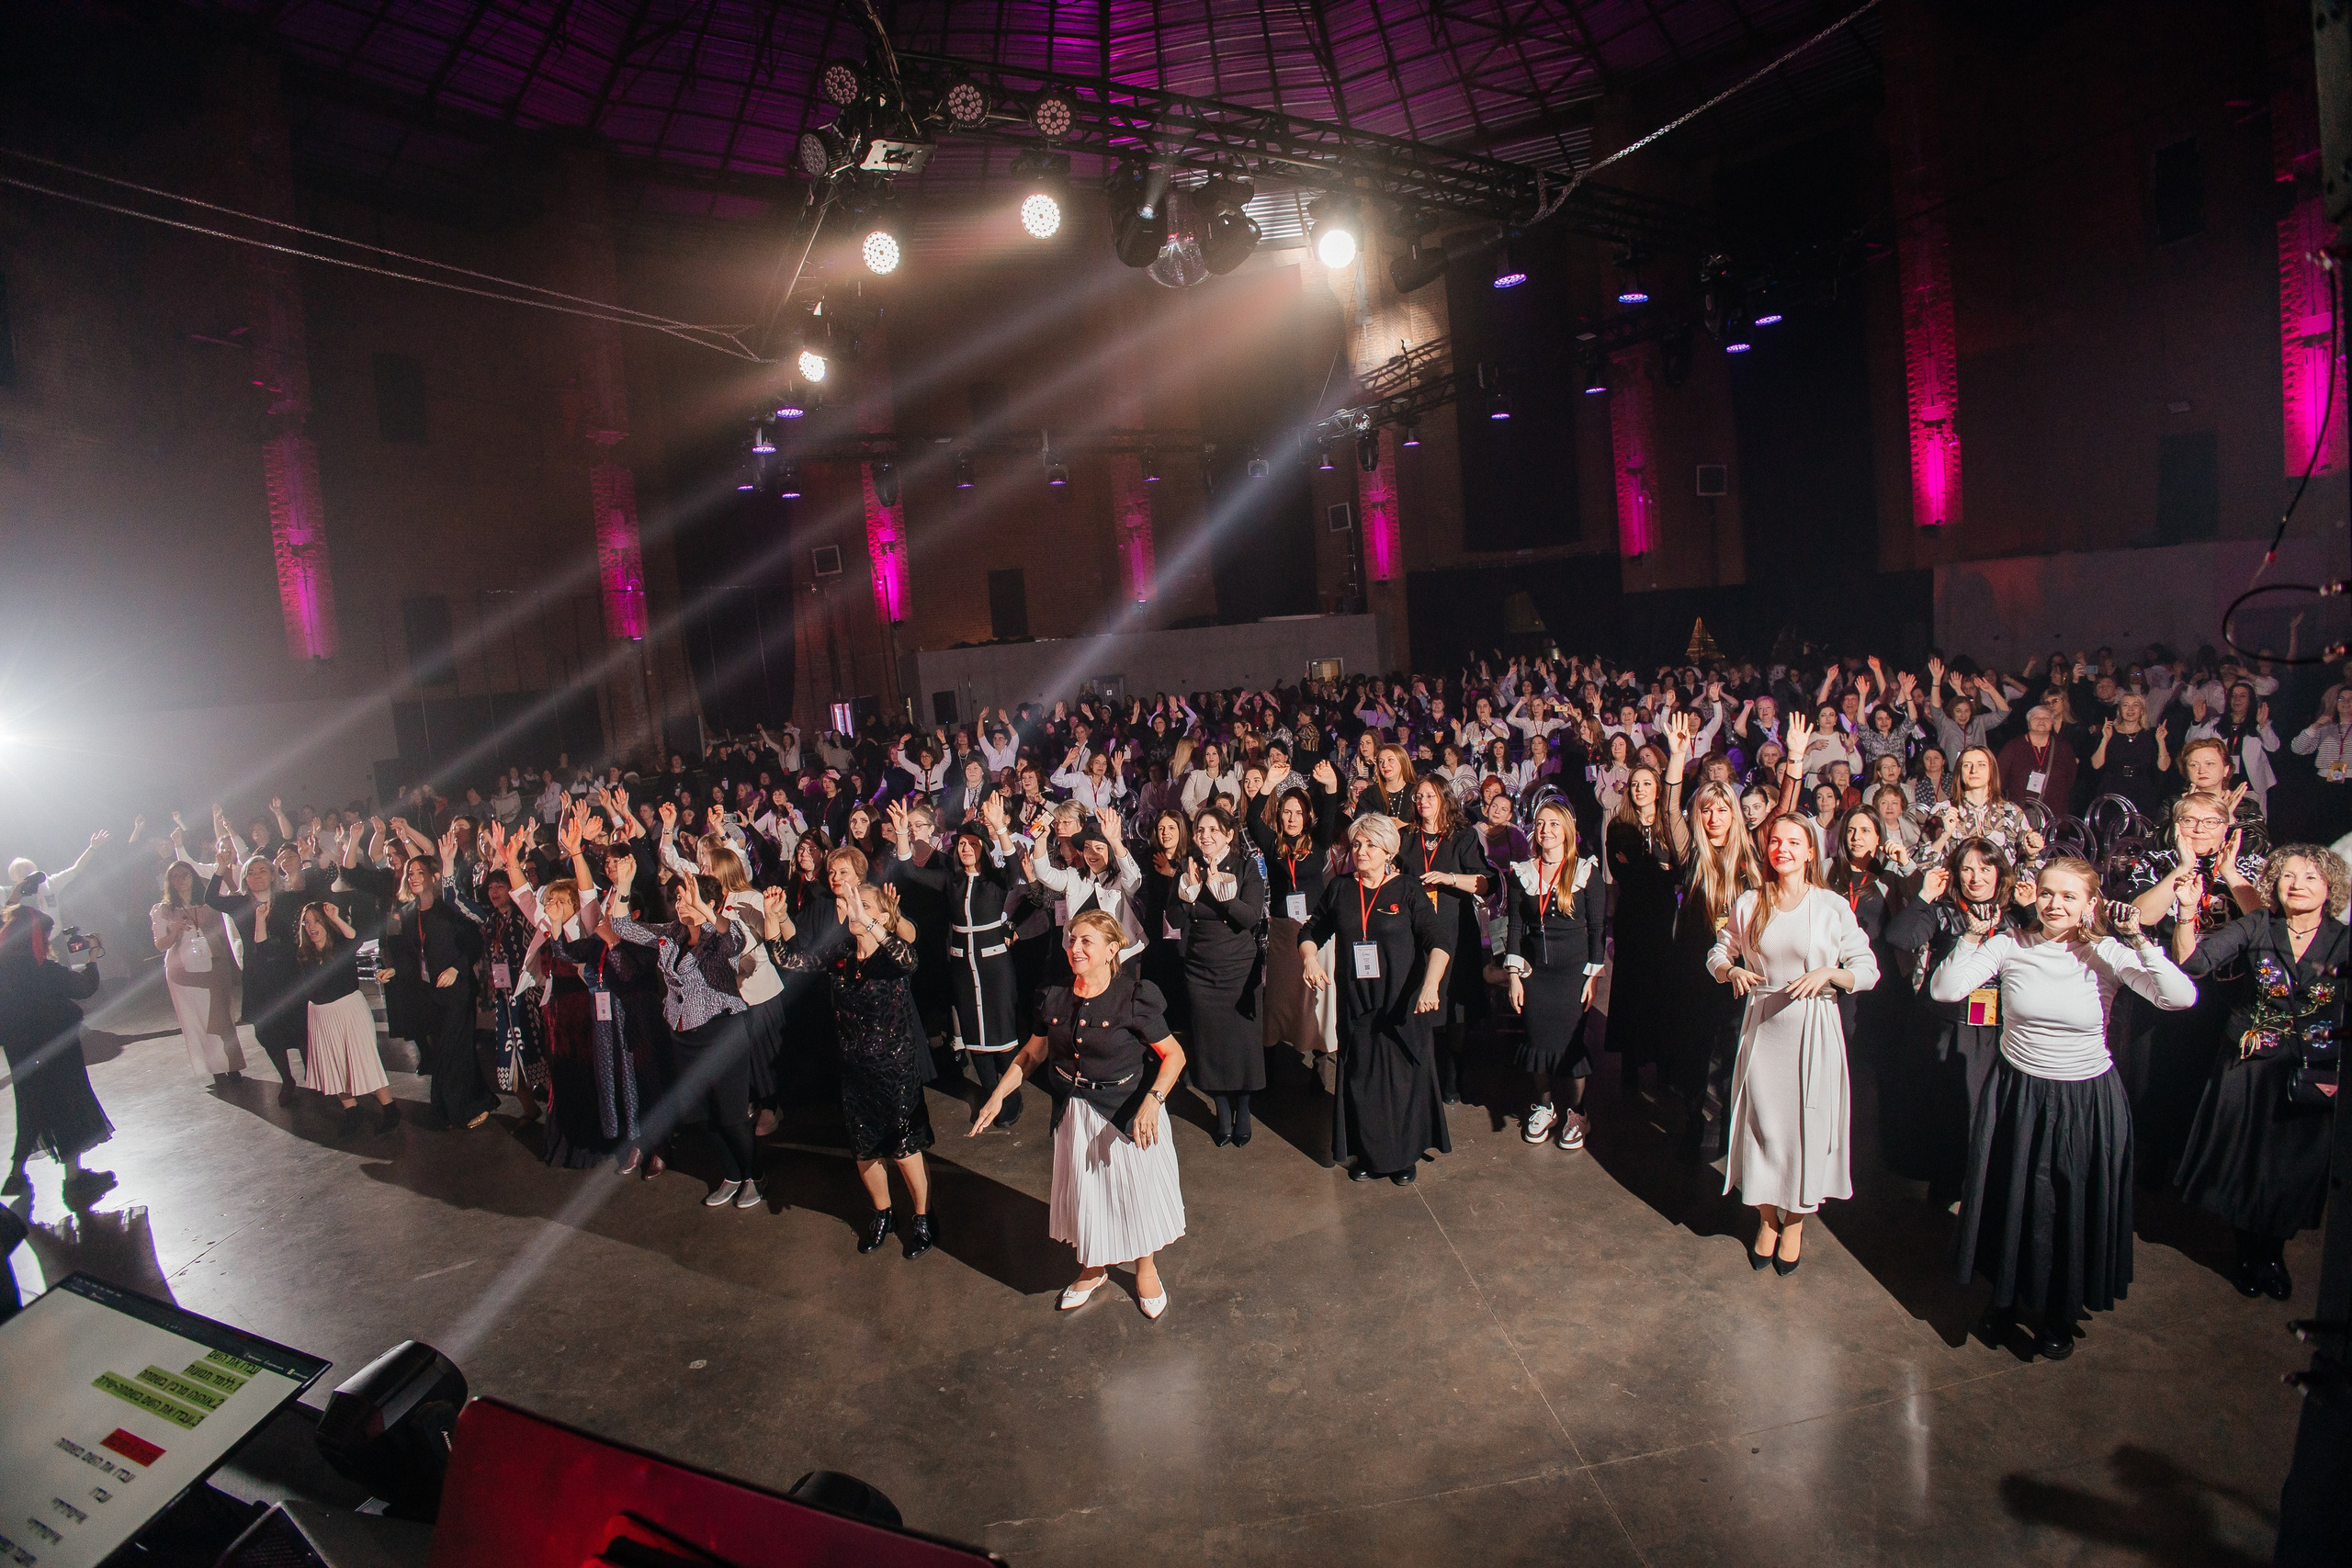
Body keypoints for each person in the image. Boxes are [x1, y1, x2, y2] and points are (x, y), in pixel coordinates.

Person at [1931, 857, 2196, 1359]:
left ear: (2090, 905)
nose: (2055, 904)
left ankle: (2059, 1310)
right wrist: (1971, 936)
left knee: (2067, 1207)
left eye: (2070, 896)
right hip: (2018, 1093)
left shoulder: (2108, 955)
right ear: (2035, 895)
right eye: (2048, 893)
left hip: (2084, 1099)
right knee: (2013, 1200)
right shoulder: (2010, 945)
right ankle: (2004, 1300)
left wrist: (2140, 941)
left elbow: (2179, 998)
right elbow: (1945, 989)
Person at [970, 909, 1186, 1318]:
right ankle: (1093, 1267)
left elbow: (1173, 1055)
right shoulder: (1055, 995)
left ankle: (1145, 1268)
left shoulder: (1134, 997)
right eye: (1072, 940)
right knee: (1089, 1197)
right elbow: (1034, 1052)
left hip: (1127, 1112)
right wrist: (999, 1094)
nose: (1076, 948)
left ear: (1111, 949)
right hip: (1076, 1112)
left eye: (1087, 941)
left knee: (1133, 1195)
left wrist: (1152, 1102)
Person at [2171, 845, 2346, 1301]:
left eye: (2309, 878)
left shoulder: (2343, 940)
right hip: (2249, 1067)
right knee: (2245, 1166)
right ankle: (2248, 1254)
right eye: (2287, 876)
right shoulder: (2256, 925)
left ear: (2330, 888)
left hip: (2312, 1072)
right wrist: (2187, 912)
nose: (2297, 885)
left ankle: (2273, 1255)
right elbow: (2194, 964)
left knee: (2293, 1172)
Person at [1707, 814, 1878, 1275]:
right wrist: (1732, 970)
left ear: (1810, 851)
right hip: (1764, 1028)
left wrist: (1830, 974)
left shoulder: (1831, 906)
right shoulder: (1750, 901)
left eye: (1793, 841)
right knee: (1764, 1129)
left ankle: (1797, 1220)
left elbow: (1866, 968)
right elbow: (1719, 952)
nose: (1782, 848)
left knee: (1806, 1131)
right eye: (1775, 841)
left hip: (1814, 1028)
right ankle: (1766, 1217)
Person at [770, 848, 937, 1258]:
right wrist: (774, 922)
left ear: (879, 912)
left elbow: (910, 960)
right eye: (848, 904)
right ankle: (883, 1214)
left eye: (861, 904)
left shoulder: (890, 953)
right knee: (864, 1148)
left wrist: (874, 924)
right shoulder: (840, 955)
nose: (851, 910)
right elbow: (791, 959)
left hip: (895, 1069)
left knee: (903, 1149)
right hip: (854, 1069)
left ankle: (922, 1217)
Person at [1299, 813, 1452, 1184]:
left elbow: (1439, 942)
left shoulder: (1408, 890)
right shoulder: (1340, 888)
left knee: (1401, 1081)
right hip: (1357, 1004)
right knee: (1361, 1079)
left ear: (1388, 850)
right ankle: (1367, 1152)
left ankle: (1402, 1156)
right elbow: (1311, 930)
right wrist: (1308, 959)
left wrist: (1431, 985)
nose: (1361, 851)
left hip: (1400, 1004)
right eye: (1356, 844)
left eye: (1369, 844)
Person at [603, 860, 759, 1208]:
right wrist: (624, 885)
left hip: (722, 1033)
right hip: (683, 1035)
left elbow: (734, 940)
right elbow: (622, 926)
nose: (679, 905)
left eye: (687, 899)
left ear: (710, 904)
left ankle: (752, 1175)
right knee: (697, 1114)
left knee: (732, 1116)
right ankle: (732, 1173)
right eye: (677, 898)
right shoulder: (670, 933)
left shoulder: (722, 934)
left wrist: (704, 907)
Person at [1882, 839, 2022, 1206]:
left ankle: (1977, 1189)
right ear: (1956, 874)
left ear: (1999, 873)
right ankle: (1944, 1188)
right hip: (1944, 1027)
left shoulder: (2013, 918)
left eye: (1985, 868)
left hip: (1994, 1030)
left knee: (1984, 1114)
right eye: (1967, 869)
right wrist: (1925, 895)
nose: (1976, 877)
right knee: (1946, 1112)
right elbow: (1899, 937)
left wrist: (2033, 909)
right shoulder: (1944, 912)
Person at [1501, 801, 1603, 1149]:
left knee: (1570, 1044)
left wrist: (1592, 976)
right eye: (1541, 824)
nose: (1546, 830)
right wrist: (1514, 975)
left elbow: (1597, 930)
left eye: (1554, 825)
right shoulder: (1522, 872)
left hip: (1573, 973)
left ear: (1568, 831)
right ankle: (1546, 1108)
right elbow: (1515, 925)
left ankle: (1578, 1113)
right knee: (1536, 1040)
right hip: (1535, 974)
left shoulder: (1585, 871)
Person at [0, 902, 113, 1201]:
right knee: (69, 1103)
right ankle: (74, 1179)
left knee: (30, 1105)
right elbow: (84, 987)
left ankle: (16, 1174)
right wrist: (93, 956)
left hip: (20, 1049)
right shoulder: (42, 969)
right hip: (57, 1045)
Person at [1173, 805, 1268, 1145]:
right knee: (1210, 1043)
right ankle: (1222, 1108)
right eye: (1200, 830)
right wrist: (1190, 888)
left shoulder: (1246, 868)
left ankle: (1243, 1108)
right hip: (1200, 969)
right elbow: (1173, 917)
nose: (1205, 836)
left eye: (1213, 830)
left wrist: (1221, 892)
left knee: (1242, 1044)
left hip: (1238, 969)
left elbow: (1252, 917)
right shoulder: (1189, 867)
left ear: (1228, 834)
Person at [380, 853, 496, 1130]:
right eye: (411, 873)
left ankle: (461, 1108)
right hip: (427, 994)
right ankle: (465, 1104)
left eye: (420, 872)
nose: (414, 877)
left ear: (433, 876)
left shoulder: (449, 908)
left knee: (455, 1050)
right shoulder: (406, 913)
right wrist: (394, 970)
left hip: (457, 990)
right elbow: (408, 956)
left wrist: (457, 968)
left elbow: (473, 944)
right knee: (445, 1050)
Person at [1251, 768, 1345, 1071]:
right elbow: (1253, 819)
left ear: (1307, 816)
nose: (1292, 818)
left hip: (1315, 931)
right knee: (1280, 998)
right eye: (1287, 812)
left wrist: (1330, 785)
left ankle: (1319, 1062)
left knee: (1315, 998)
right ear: (1279, 816)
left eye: (1298, 813)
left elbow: (1330, 813)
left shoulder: (1317, 842)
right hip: (1282, 932)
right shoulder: (1271, 845)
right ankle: (1272, 1062)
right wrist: (1268, 785)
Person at [1605, 759, 1688, 1096]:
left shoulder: (1671, 825)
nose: (1639, 789)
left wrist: (1653, 868)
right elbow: (1624, 872)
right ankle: (1630, 1062)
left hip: (1664, 917)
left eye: (1646, 784)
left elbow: (1683, 870)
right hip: (1633, 916)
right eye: (1635, 784)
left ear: (1658, 790)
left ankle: (1664, 1062)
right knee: (1631, 987)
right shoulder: (1619, 827)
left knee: (1663, 987)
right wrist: (1661, 868)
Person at [208, 850, 309, 1103]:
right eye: (251, 872)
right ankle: (287, 1080)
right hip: (258, 975)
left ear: (273, 874)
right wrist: (220, 869)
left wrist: (298, 866)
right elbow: (209, 898)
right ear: (244, 878)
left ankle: (315, 1075)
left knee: (301, 1027)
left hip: (288, 972)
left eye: (262, 870)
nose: (256, 876)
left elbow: (307, 890)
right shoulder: (239, 903)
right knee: (266, 1030)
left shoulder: (285, 899)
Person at [294, 899, 399, 1134]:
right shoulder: (304, 953)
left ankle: (390, 1108)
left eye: (317, 921)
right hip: (321, 1014)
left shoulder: (341, 945)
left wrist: (337, 917)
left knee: (362, 1060)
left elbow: (356, 938)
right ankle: (351, 1110)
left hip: (349, 1009)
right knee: (333, 1065)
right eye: (307, 922)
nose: (311, 927)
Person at [153, 860, 243, 1085]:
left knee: (222, 1017)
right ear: (169, 882)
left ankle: (231, 1065)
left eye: (185, 875)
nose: (181, 880)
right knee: (197, 1022)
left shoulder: (210, 903)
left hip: (215, 965)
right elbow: (160, 945)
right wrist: (174, 931)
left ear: (193, 877)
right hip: (183, 974)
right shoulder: (163, 910)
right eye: (174, 876)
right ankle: (215, 1069)